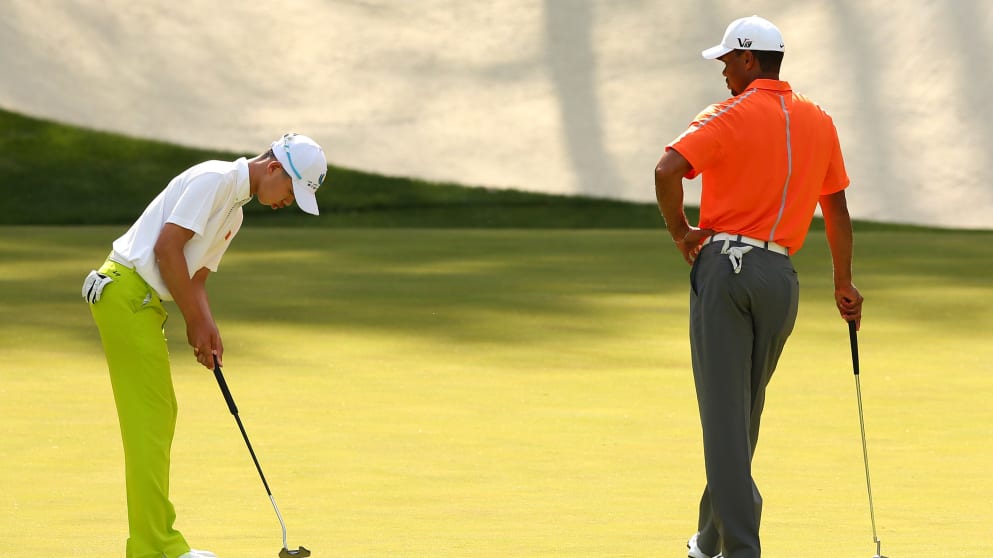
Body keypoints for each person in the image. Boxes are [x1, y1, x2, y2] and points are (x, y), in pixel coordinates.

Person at [653, 15, 864, 558]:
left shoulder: (727, 114)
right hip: (781, 280)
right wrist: (843, 282)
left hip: (727, 271)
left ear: (749, 59)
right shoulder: (819, 119)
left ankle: (741, 550)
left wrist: (680, 234)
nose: (723, 72)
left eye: (727, 61)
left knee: (725, 418)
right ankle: (710, 539)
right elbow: (836, 208)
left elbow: (667, 169)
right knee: (742, 415)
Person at [83, 133, 328, 558]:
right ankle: (155, 547)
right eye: (291, 192)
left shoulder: (236, 212)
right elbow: (167, 248)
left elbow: (196, 278)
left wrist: (207, 325)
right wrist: (193, 320)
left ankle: (154, 543)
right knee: (150, 423)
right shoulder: (215, 179)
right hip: (124, 292)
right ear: (274, 168)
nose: (288, 202)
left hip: (142, 302)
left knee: (159, 417)